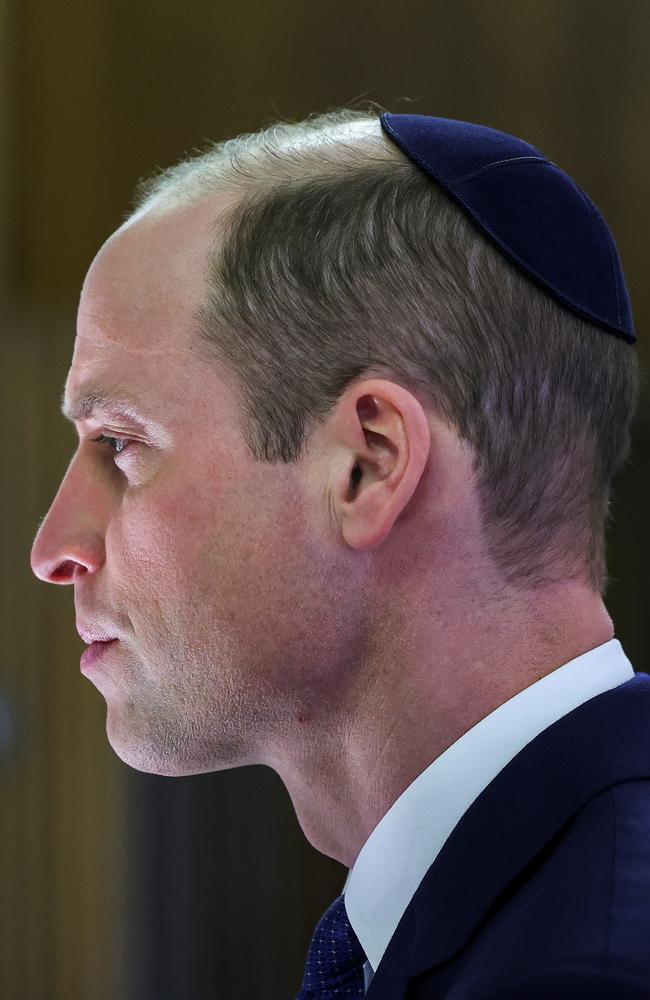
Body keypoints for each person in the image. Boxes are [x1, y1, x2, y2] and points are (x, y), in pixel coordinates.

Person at [30, 107, 650, 998]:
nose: (55, 550)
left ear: (368, 463)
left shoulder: (583, 973)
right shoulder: (520, 907)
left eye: (120, 443)